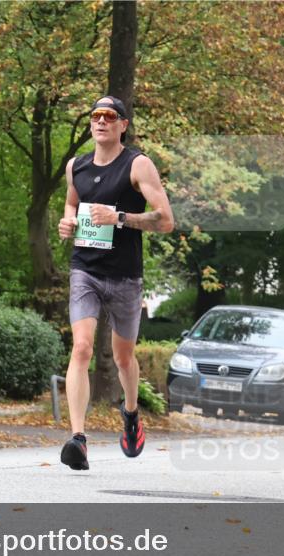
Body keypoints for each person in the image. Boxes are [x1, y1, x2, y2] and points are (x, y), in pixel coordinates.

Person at [57, 96, 175, 471]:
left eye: (109, 116)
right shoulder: (76, 166)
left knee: (124, 357)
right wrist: (67, 222)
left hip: (124, 275)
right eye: (95, 116)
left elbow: (165, 220)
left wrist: (120, 217)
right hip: (85, 271)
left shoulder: (137, 164)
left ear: (123, 124)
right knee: (81, 349)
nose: (101, 121)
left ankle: (130, 413)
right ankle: (78, 439)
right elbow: (72, 204)